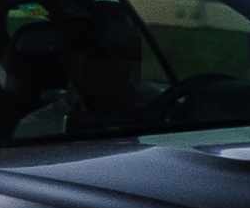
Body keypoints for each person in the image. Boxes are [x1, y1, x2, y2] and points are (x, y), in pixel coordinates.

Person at [11, 8, 159, 138]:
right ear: (70, 62)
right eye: (99, 54)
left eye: (124, 52)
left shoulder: (159, 102)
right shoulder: (40, 127)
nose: (115, 63)